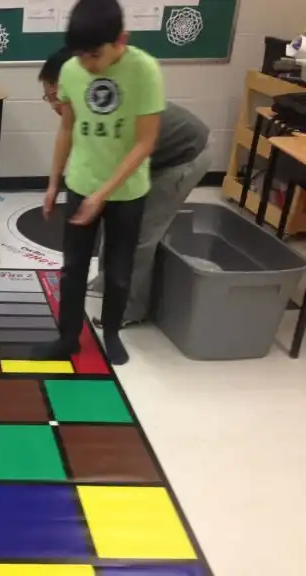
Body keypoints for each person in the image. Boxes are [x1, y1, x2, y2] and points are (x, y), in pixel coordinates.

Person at [39, 46, 212, 327]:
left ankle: (129, 309)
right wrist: (56, 184)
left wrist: (99, 196)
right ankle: (106, 281)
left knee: (139, 233)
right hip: (150, 156)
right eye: (49, 99)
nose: (55, 106)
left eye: (55, 97)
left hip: (182, 156)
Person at [32, 0, 164, 366]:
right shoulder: (73, 71)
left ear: (120, 39)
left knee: (119, 272)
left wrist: (103, 195)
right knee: (72, 268)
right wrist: (53, 183)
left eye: (94, 55)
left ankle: (112, 333)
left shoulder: (145, 70)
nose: (87, 64)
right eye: (80, 55)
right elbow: (67, 127)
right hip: (81, 183)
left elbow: (145, 141)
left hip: (127, 192)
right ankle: (67, 338)